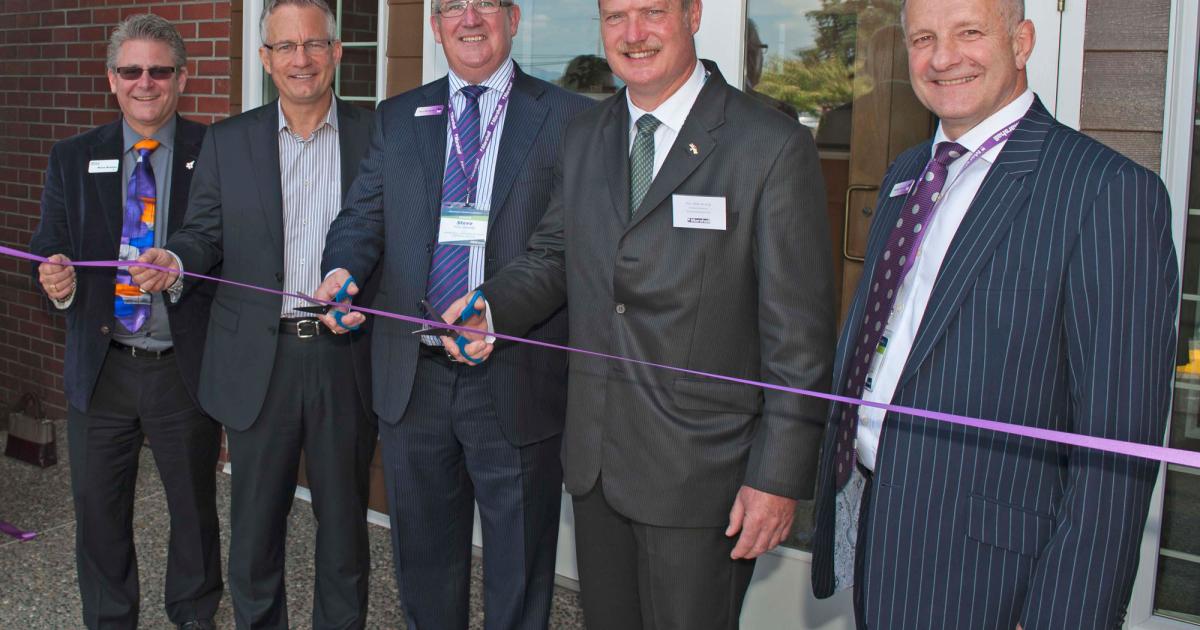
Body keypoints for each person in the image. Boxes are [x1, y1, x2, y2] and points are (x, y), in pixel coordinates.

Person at [438, 0, 836, 627]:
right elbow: (552, 254)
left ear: (693, 14)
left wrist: (779, 476)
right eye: (615, 16)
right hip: (597, 464)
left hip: (704, 476)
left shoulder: (769, 147)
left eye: (651, 12)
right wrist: (492, 309)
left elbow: (800, 338)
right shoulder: (586, 135)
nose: (632, 34)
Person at [809, 1, 1179, 628]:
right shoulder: (907, 175)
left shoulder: (1108, 195)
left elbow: (1115, 457)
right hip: (880, 526)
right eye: (923, 38)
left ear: (1023, 40)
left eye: (969, 33)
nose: (943, 57)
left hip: (994, 573)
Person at [314, 1, 591, 627]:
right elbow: (362, 218)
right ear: (436, 26)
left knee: (518, 576)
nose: (469, 18)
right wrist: (342, 271)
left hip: (515, 378)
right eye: (451, 7)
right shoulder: (400, 116)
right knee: (425, 568)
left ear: (514, 18)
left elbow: (566, 245)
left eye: (485, 2)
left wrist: (496, 310)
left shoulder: (571, 119)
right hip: (414, 381)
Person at [131, 1, 377, 627]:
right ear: (265, 59)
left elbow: (392, 241)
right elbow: (203, 234)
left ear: (337, 52)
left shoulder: (377, 136)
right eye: (286, 47)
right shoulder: (228, 140)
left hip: (345, 358)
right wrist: (176, 260)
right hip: (258, 362)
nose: (302, 59)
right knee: (255, 535)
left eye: (314, 44)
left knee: (345, 535)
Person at [27, 14, 222, 630]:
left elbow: (228, 248)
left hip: (180, 370)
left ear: (182, 78)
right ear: (112, 80)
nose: (146, 83)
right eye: (131, 70)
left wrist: (183, 267)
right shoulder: (71, 158)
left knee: (194, 514)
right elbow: (49, 246)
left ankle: (194, 617)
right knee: (98, 516)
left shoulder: (213, 152)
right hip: (102, 369)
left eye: (159, 70)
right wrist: (55, 280)